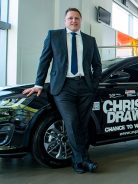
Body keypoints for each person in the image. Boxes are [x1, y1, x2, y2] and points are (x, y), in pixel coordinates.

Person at [22, 8, 102, 173]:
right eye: (70, 18)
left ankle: (78, 160)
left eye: (77, 18)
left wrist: (93, 84)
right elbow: (44, 61)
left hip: (85, 87)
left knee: (82, 124)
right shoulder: (54, 36)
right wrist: (38, 84)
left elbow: (97, 65)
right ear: (65, 21)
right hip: (63, 87)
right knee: (72, 122)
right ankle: (83, 160)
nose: (74, 21)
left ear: (81, 21)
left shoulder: (90, 40)